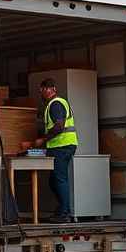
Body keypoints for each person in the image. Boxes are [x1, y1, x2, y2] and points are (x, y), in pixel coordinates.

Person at [34, 78, 78, 223]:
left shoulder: (55, 104)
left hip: (62, 146)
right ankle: (62, 210)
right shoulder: (55, 103)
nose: (41, 94)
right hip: (61, 146)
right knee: (54, 181)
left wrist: (43, 139)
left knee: (59, 179)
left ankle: (64, 213)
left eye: (42, 90)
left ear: (50, 89)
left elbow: (59, 126)